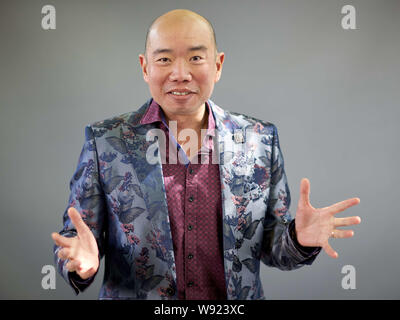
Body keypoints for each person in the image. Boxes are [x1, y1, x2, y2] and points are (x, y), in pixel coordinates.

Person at [51, 9, 361, 300]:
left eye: (196, 57)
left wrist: (298, 238)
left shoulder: (259, 140)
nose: (180, 73)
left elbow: (271, 245)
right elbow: (76, 236)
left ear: (218, 65)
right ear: (145, 67)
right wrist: (79, 260)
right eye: (165, 60)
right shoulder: (106, 140)